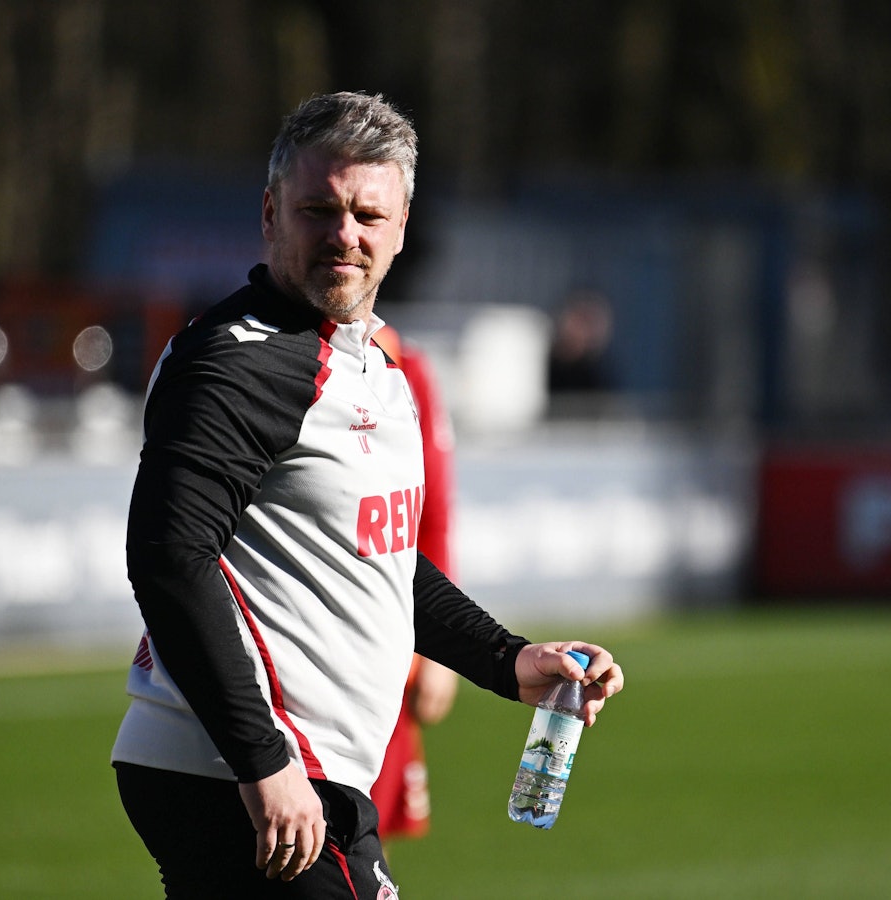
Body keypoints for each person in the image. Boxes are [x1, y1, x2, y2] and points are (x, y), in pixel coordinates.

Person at [112, 91, 624, 899]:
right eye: (318, 210)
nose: (343, 235)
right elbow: (169, 556)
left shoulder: (374, 368)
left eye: (366, 214)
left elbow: (380, 563)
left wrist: (505, 659)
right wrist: (264, 761)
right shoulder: (237, 361)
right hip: (252, 778)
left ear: (402, 229)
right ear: (271, 213)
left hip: (294, 776)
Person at [368, 325, 459, 842]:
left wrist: (439, 648)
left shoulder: (403, 366)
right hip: (281, 663)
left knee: (360, 846)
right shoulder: (242, 351)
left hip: (384, 655)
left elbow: (433, 514)